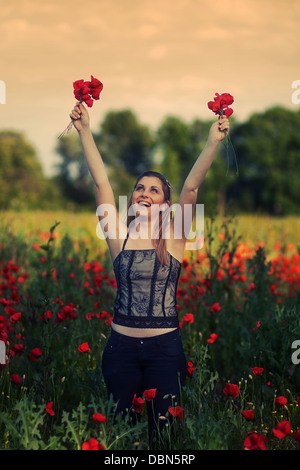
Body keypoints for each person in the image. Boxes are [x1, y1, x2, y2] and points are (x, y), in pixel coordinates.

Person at [69, 101, 230, 447]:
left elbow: (190, 189)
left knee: (165, 438)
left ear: (165, 206)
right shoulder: (118, 236)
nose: (143, 193)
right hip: (120, 349)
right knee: (121, 436)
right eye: (140, 188)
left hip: (164, 350)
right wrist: (85, 131)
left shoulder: (174, 238)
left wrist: (212, 142)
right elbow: (101, 184)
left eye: (153, 190)